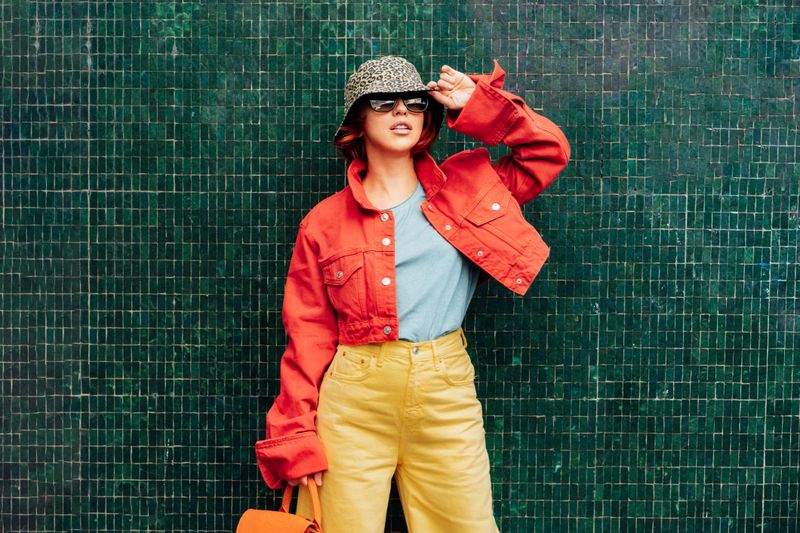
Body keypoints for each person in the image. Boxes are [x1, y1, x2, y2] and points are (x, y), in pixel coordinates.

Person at [254, 55, 571, 533]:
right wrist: (295, 434)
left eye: (414, 103)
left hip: (446, 393)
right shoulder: (323, 224)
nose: (402, 110)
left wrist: (479, 104)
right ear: (358, 121)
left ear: (427, 118)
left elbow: (548, 152)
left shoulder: (472, 189)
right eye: (384, 102)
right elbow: (308, 335)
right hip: (353, 402)